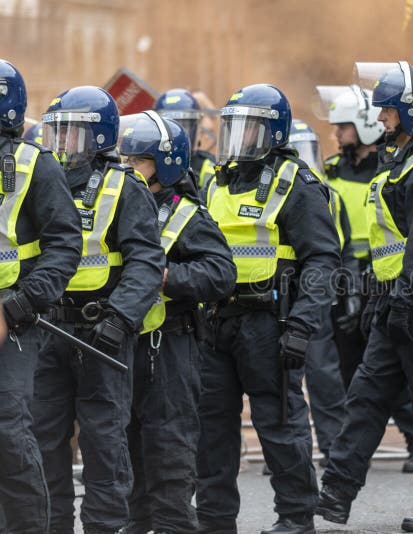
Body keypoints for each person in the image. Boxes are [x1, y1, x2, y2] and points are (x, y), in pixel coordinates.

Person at [316, 61, 413, 532]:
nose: (380, 118)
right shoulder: (401, 162)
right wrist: (382, 301)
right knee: (364, 399)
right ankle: (335, 496)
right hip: (394, 301)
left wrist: (403, 300)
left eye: (388, 110)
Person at [197, 83, 340, 534]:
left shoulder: (296, 182)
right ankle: (215, 520)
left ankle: (297, 517)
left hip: (269, 320)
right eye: (233, 127)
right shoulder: (217, 180)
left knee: (279, 425)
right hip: (215, 321)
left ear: (273, 131)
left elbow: (322, 259)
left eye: (250, 128)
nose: (239, 138)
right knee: (212, 429)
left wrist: (302, 325)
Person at [33, 85, 165, 534]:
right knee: (42, 442)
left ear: (100, 138)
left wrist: (120, 319)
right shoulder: (36, 180)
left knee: (104, 444)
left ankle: (105, 529)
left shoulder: (124, 186)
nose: (61, 143)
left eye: (71, 133)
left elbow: (147, 263)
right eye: (57, 133)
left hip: (101, 334)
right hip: (45, 330)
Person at [119, 112, 236, 533]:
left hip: (170, 347)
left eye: (138, 162)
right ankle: (139, 521)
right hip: (123, 343)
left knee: (168, 449)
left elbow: (222, 274)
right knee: (128, 444)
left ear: (165, 165)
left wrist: (168, 277)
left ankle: (173, 525)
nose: (127, 168)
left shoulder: (187, 215)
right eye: (125, 160)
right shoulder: (119, 206)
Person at [314, 83, 413, 472]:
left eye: (342, 127)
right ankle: (351, 446)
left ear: (363, 127)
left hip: (380, 273)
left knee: (389, 364)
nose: (336, 134)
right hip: (343, 272)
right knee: (347, 364)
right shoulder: (328, 170)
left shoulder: (390, 167)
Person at [0, 59, 83, 534]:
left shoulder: (36, 165)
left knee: (8, 433)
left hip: (13, 318)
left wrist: (17, 307)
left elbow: (64, 246)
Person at [286, 118, 347, 468]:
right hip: (280, 294)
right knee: (280, 379)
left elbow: (341, 246)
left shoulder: (324, 193)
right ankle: (284, 450)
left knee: (323, 374)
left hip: (315, 294)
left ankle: (333, 444)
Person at [154, 88, 216, 191]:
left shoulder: (209, 168)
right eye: (168, 127)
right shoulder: (149, 164)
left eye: (182, 127)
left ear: (197, 129)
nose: (175, 134)